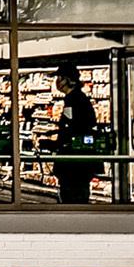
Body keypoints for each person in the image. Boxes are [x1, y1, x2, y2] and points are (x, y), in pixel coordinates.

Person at [49, 63, 100, 205]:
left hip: (74, 165)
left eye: (59, 78)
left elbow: (73, 129)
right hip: (80, 164)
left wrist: (56, 143)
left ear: (67, 80)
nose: (57, 82)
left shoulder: (74, 100)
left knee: (72, 198)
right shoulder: (79, 99)